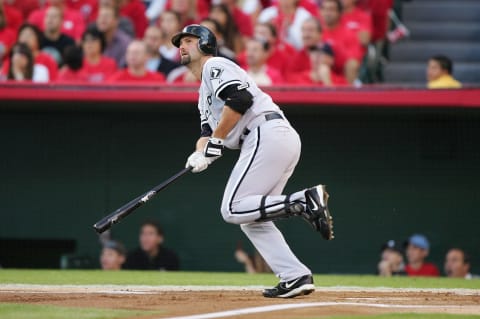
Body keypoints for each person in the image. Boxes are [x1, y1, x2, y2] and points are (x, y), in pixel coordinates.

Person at [172, 24, 334, 298]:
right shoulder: (202, 92)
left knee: (232, 208)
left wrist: (216, 143)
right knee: (251, 217)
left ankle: (303, 201)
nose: (182, 46)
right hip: (273, 139)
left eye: (189, 40)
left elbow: (240, 98)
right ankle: (295, 275)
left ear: (205, 44)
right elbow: (207, 133)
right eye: (180, 42)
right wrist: (200, 154)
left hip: (264, 132)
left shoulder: (215, 65)